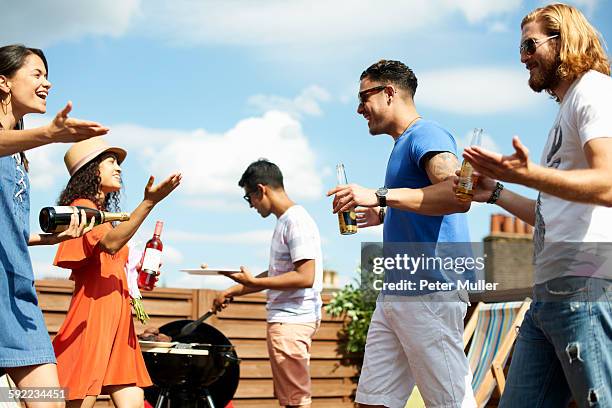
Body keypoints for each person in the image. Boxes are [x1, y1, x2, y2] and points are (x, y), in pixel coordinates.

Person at [461, 4, 611, 407]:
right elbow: (551, 213)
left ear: (565, 41)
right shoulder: (565, 112)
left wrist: (527, 175)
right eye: (520, 49)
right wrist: (495, 193)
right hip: (547, 294)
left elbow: (609, 182)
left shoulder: (594, 91)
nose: (523, 57)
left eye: (530, 45)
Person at [327, 59, 477, 408]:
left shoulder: (427, 134)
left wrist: (379, 195)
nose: (359, 108)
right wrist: (383, 212)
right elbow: (424, 200)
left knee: (451, 403)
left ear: (389, 92)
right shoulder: (403, 144)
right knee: (373, 401)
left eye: (364, 97)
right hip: (396, 294)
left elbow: (459, 195)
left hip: (430, 290)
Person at [0, 44, 108, 408]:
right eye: (37, 74)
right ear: (3, 82)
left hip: (17, 299)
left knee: (50, 402)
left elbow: (8, 231)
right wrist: (50, 134)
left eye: (48, 75)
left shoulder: (18, 155)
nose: (47, 83)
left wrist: (48, 239)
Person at [51, 137, 182, 408]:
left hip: (119, 319)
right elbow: (110, 244)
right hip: (94, 316)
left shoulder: (103, 215)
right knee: (74, 396)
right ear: (90, 170)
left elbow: (112, 255)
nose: (119, 167)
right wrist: (150, 202)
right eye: (110, 161)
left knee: (132, 398)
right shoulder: (81, 208)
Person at [212, 159, 323, 408]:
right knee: (291, 398)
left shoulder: (295, 221)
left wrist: (253, 281)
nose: (251, 205)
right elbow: (278, 273)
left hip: (291, 320)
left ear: (261, 189)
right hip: (290, 320)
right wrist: (235, 290)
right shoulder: (286, 220)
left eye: (248, 197)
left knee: (296, 400)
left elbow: (306, 276)